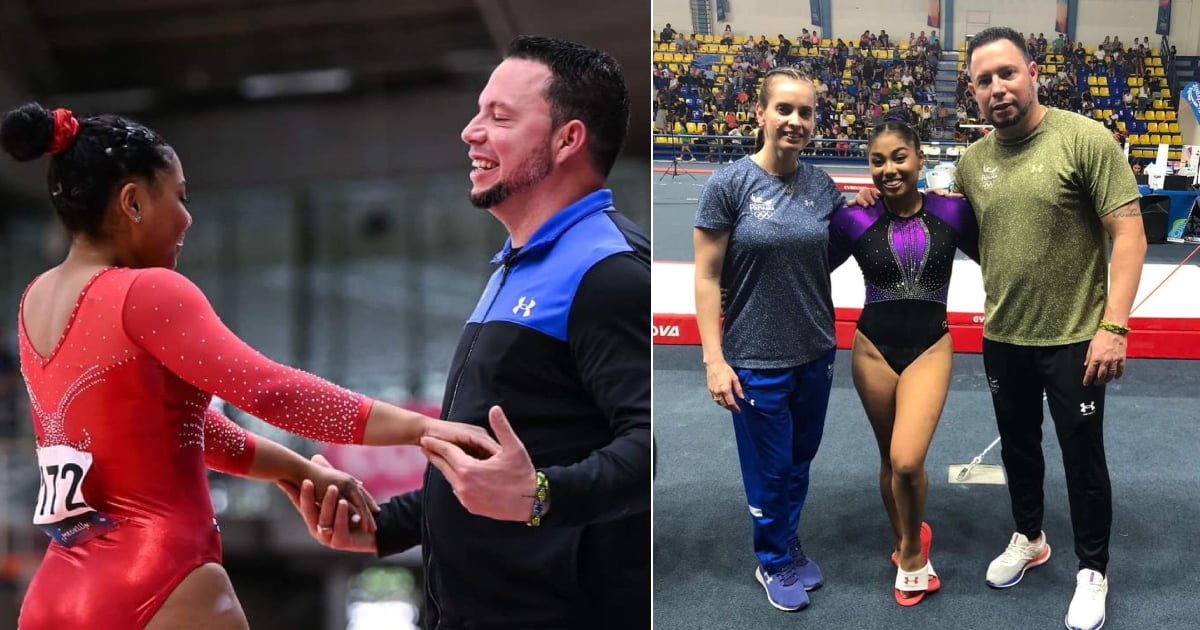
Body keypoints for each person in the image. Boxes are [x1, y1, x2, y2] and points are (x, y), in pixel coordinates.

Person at [0, 103, 498, 630]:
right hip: (156, 575)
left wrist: (297, 468)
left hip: (56, 590)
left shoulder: (36, 299)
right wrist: (422, 428)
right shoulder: (146, 291)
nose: (188, 218)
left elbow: (183, 429)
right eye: (180, 196)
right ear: (133, 202)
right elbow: (270, 392)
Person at [280, 35, 651, 629]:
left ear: (567, 139)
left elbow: (657, 449)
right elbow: (496, 459)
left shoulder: (610, 272)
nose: (470, 131)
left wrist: (541, 497)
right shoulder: (520, 264)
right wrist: (389, 525)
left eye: (499, 117)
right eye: (478, 111)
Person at [860, 26, 1146, 630]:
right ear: (972, 90)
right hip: (1005, 336)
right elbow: (934, 215)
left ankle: (1092, 569)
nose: (997, 88)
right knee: (1020, 449)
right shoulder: (973, 161)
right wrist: (879, 197)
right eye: (984, 80)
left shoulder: (1084, 139)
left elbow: (1129, 234)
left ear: (1032, 71)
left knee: (1082, 457)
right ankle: (1030, 537)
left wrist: (1114, 326)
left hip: (1076, 336)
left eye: (1007, 73)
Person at [692, 67, 843, 612]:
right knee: (770, 468)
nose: (796, 121)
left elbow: (844, 244)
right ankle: (772, 560)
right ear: (759, 113)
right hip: (755, 357)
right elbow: (707, 277)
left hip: (816, 351)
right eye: (784, 109)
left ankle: (788, 542)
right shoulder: (728, 184)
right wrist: (713, 359)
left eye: (805, 112)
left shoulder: (823, 187)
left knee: (800, 461)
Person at [830, 118, 979, 606]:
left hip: (929, 348)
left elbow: (1000, 256)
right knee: (887, 459)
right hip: (872, 349)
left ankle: (914, 550)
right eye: (877, 160)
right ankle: (904, 541)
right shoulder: (853, 219)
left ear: (919, 159)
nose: (888, 169)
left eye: (898, 157)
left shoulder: (952, 214)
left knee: (907, 460)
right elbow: (804, 265)